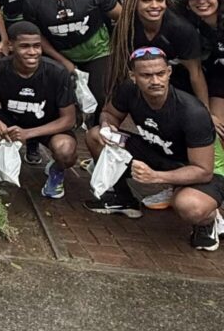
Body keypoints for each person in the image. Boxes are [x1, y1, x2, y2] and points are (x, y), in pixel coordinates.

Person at [84, 47, 224, 251]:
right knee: (96, 136)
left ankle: (209, 221)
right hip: (157, 151)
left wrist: (155, 177)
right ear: (133, 77)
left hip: (202, 168)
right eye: (146, 75)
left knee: (190, 206)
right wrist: (108, 126)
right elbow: (109, 113)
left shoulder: (192, 112)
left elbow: (203, 171)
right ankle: (123, 199)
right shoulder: (128, 90)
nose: (155, 81)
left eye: (160, 74)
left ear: (169, 72)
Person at [0, 21, 78, 199]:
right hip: (11, 120)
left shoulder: (57, 72)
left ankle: (56, 171)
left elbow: (69, 120)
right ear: (10, 46)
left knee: (66, 151)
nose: (32, 52)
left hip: (47, 124)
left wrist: (28, 133)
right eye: (25, 46)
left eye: (37, 46)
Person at [22, 0, 121, 115]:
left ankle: (99, 126)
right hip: (60, 53)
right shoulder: (33, 0)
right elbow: (36, 36)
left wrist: (119, 49)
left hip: (98, 51)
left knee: (102, 97)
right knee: (55, 99)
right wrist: (62, 60)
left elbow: (122, 17)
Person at [107, 0, 208, 107]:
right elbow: (120, 66)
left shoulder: (182, 29)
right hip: (142, 81)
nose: (155, 6)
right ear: (134, 3)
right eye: (146, 0)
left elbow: (196, 73)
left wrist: (206, 110)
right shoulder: (126, 26)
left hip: (179, 83)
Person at [175, 0, 224, 138]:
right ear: (187, 3)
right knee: (217, 125)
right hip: (218, 78)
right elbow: (195, 71)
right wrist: (206, 112)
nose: (201, 1)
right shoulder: (188, 28)